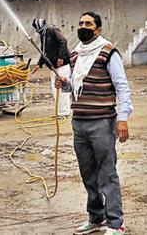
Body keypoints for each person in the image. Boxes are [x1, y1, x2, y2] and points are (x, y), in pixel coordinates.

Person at [55, 12, 133, 235]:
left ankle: (116, 223)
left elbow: (122, 87)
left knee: (107, 173)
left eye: (88, 24)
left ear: (97, 29)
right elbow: (76, 86)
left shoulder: (108, 52)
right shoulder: (76, 55)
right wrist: (65, 84)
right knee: (87, 173)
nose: (83, 27)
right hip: (79, 123)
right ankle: (96, 217)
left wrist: (123, 119)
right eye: (80, 23)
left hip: (102, 123)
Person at [29, 18, 71, 116]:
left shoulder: (52, 30)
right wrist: (39, 64)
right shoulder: (43, 35)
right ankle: (60, 111)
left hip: (62, 66)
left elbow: (63, 41)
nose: (36, 31)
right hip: (53, 67)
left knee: (62, 90)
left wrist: (60, 57)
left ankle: (65, 111)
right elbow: (44, 52)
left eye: (36, 28)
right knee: (55, 90)